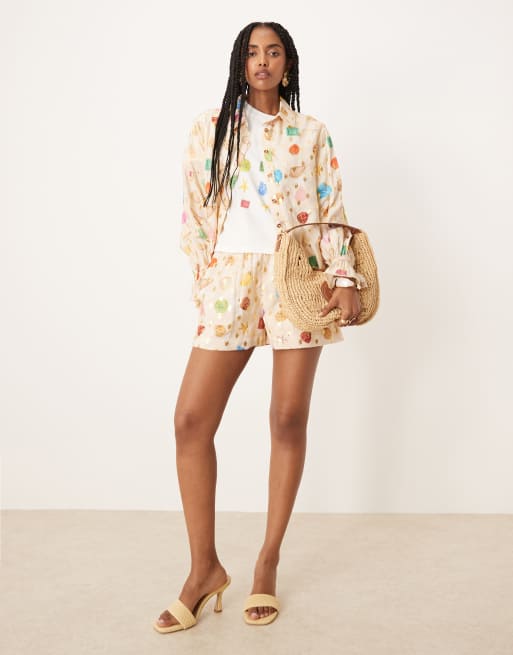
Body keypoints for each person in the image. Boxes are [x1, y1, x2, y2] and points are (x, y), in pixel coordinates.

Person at [154, 20, 367, 632]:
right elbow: (195, 211)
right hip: (231, 279)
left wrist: (344, 275)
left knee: (287, 417)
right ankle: (204, 570)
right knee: (191, 420)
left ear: (287, 64)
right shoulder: (210, 128)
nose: (263, 61)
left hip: (298, 277)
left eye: (274, 52)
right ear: (240, 63)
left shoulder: (311, 133)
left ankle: (267, 562)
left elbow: (331, 207)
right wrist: (207, 278)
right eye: (253, 52)